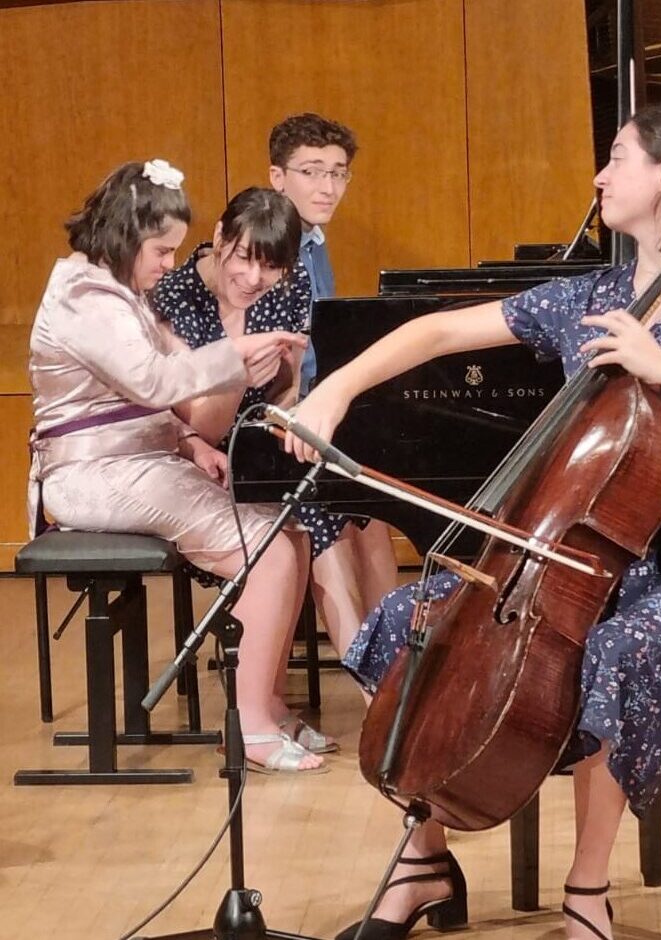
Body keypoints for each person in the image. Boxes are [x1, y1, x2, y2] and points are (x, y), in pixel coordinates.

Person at [286, 101, 661, 940]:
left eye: (617, 157)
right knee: (406, 618)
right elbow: (437, 330)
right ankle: (424, 860)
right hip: (601, 548)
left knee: (619, 648)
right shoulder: (595, 294)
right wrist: (333, 391)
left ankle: (587, 891)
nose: (600, 176)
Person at [28, 160, 324, 775]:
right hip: (92, 473)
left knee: (289, 532)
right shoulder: (84, 296)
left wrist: (193, 441)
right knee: (267, 548)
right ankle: (250, 728)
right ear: (126, 235)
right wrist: (237, 355)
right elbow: (154, 380)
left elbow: (161, 390)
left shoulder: (116, 294)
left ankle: (267, 705)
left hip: (134, 460)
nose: (169, 263)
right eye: (161, 249)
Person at [153, 188, 380, 718]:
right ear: (219, 238)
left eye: (271, 267)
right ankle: (368, 695)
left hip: (258, 440)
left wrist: (284, 415)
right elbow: (197, 422)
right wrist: (235, 379)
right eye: (244, 258)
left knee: (343, 502)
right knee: (310, 517)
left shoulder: (291, 284)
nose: (255, 278)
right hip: (195, 450)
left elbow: (287, 385)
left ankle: (363, 683)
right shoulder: (173, 295)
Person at [269, 112, 397, 618]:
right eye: (312, 172)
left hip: (311, 413)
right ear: (278, 177)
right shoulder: (268, 249)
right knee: (333, 514)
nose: (328, 187)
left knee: (373, 507)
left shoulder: (315, 245)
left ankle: (395, 651)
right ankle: (363, 660)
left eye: (338, 173)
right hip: (271, 423)